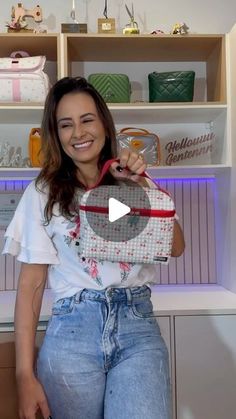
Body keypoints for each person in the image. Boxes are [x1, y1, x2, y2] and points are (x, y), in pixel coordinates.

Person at [2, 76, 185, 419]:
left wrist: (143, 186)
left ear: (103, 123)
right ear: (56, 135)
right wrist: (24, 375)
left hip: (137, 329)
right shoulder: (43, 193)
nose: (79, 133)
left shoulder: (131, 179)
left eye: (87, 119)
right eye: (65, 125)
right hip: (72, 333)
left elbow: (175, 246)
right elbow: (31, 286)